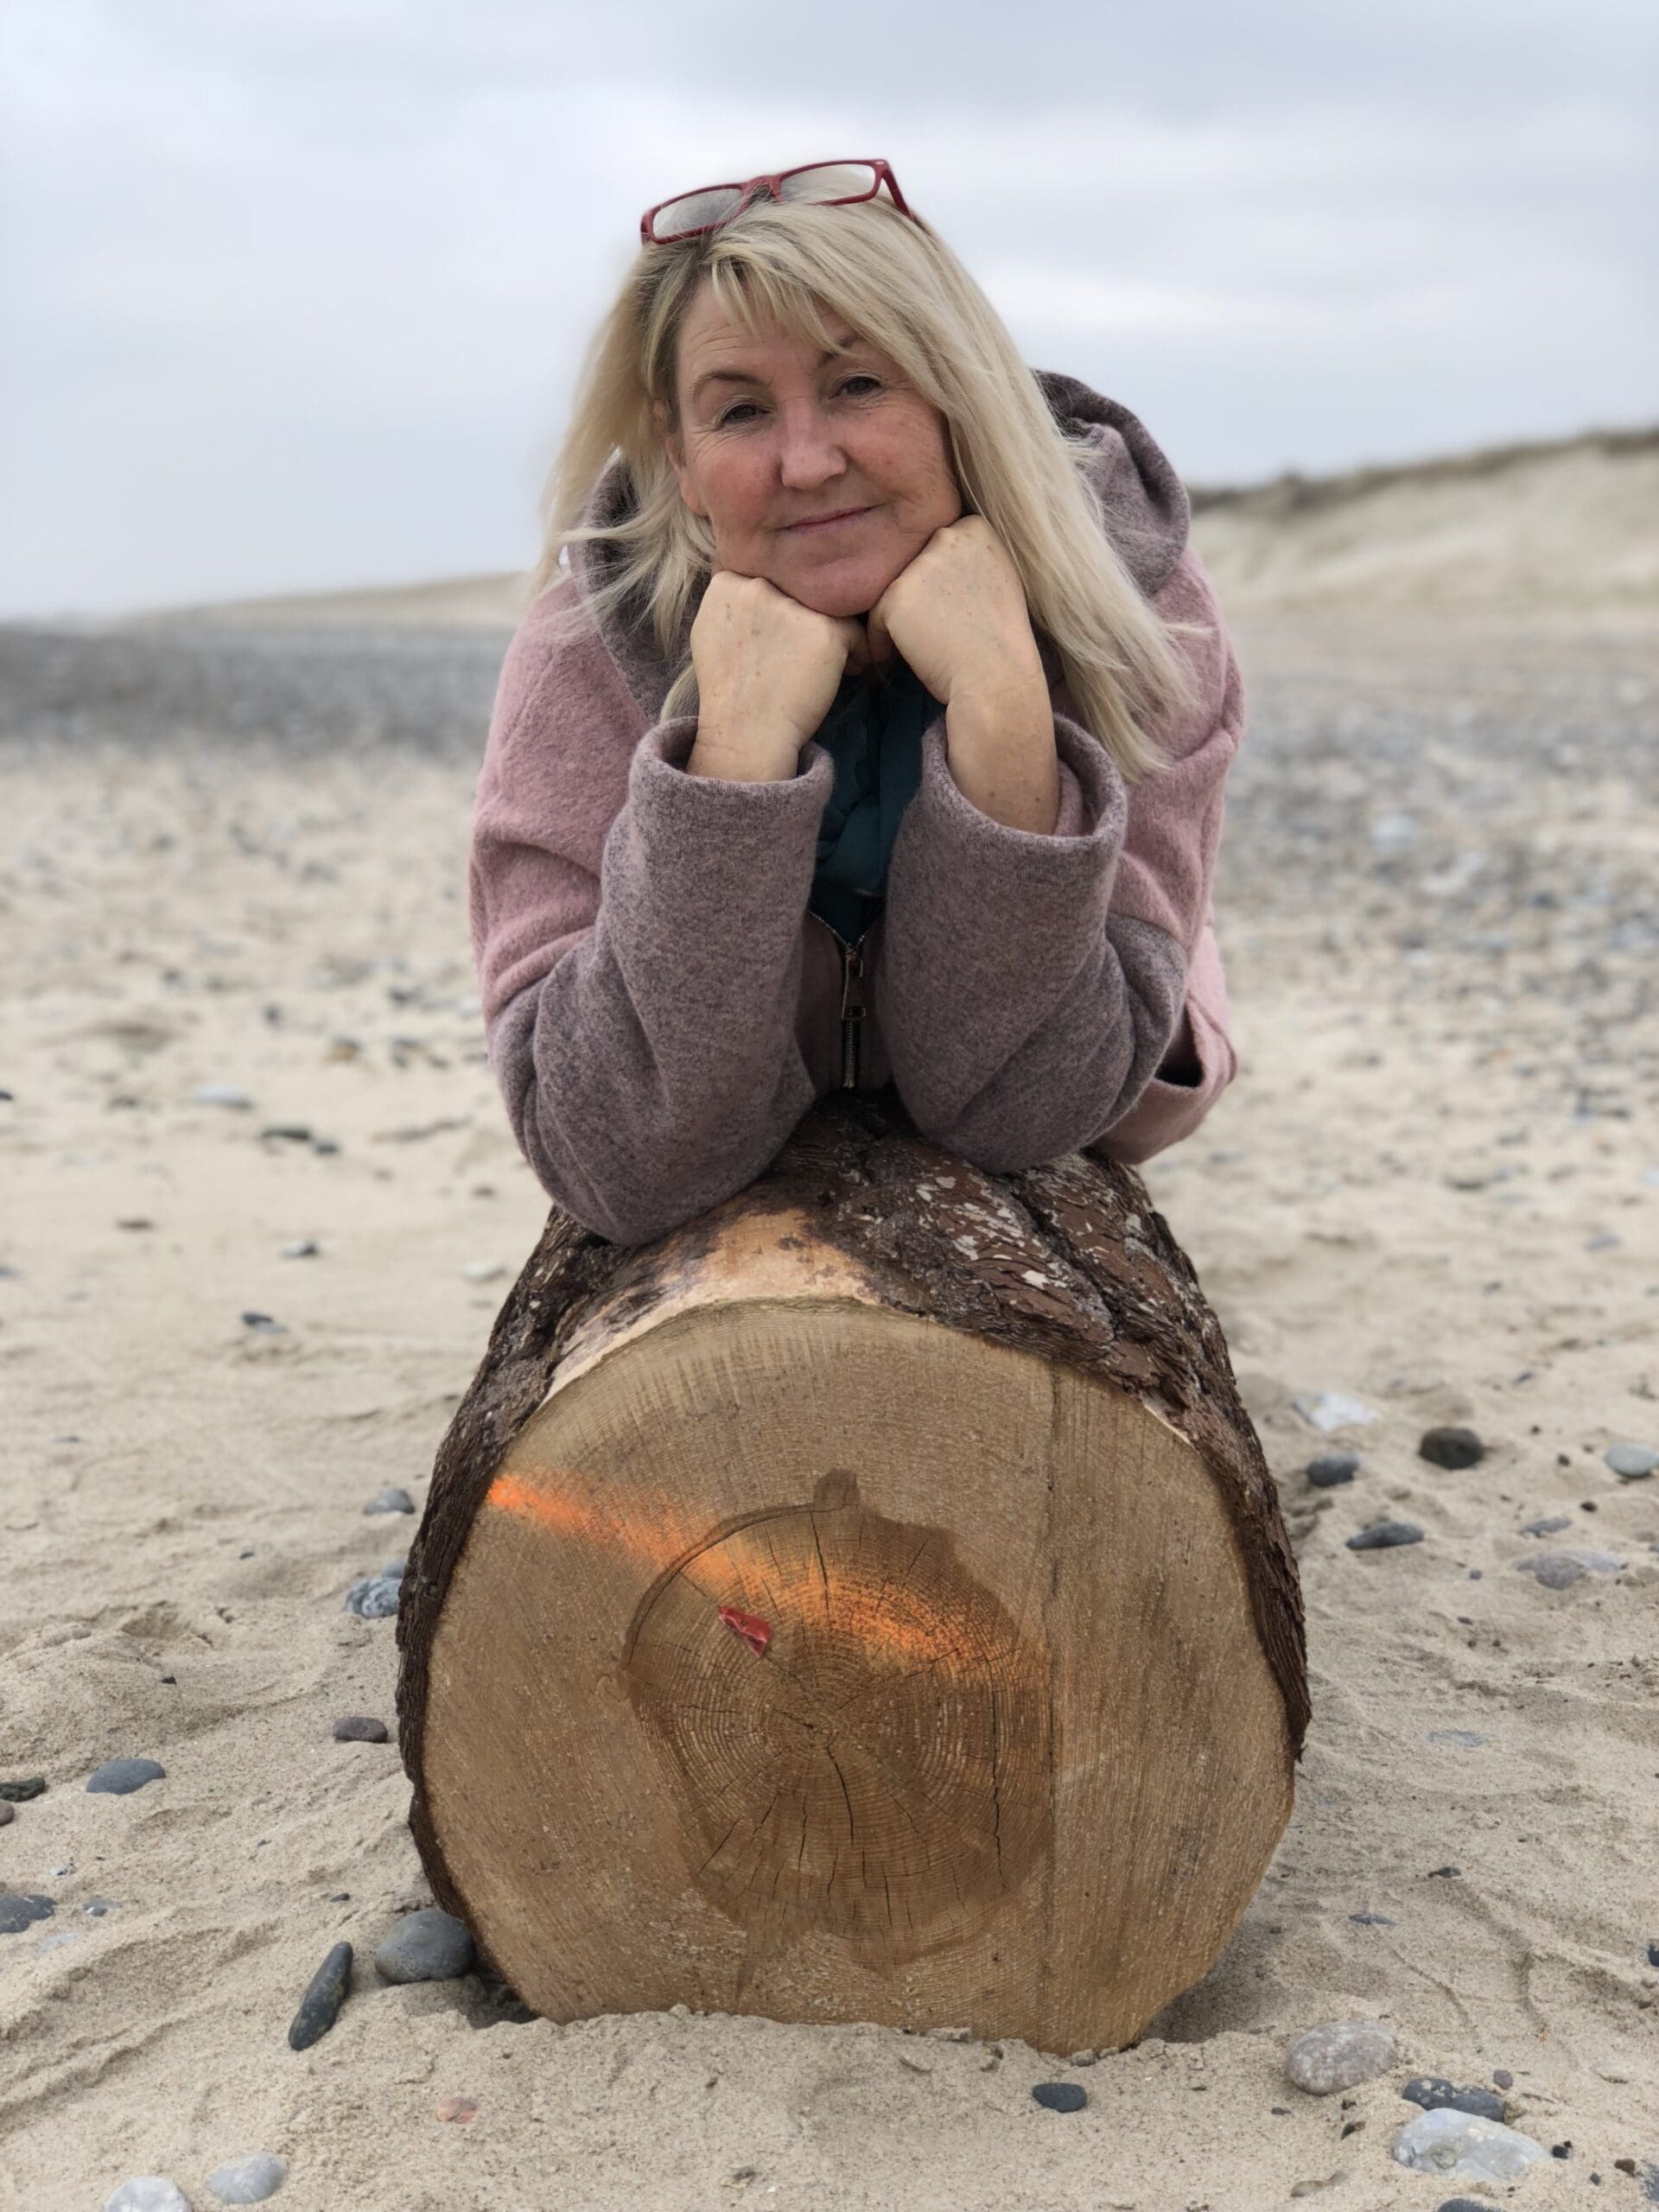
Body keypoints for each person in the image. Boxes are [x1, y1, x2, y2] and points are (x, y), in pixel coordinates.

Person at [468, 159, 1246, 1247]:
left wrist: (1003, 710)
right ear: (680, 459)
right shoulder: (586, 643)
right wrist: (730, 760)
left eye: (858, 385)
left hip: (1093, 1051)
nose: (806, 460)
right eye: (739, 410)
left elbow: (1023, 1108)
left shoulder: (1138, 606)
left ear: (960, 394)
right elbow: (618, 1157)